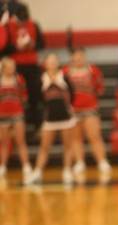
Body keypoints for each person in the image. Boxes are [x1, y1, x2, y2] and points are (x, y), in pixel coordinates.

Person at [64, 47, 112, 184]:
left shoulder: (93, 70)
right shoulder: (65, 72)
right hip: (72, 110)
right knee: (76, 138)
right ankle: (79, 162)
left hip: (90, 108)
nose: (78, 59)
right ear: (72, 58)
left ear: (85, 57)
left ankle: (102, 161)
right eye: (76, 56)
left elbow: (99, 88)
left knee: (94, 136)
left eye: (81, 56)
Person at [30, 53, 77, 186]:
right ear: (45, 64)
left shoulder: (64, 77)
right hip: (49, 118)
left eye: (54, 61)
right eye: (49, 61)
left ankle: (67, 171)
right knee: (44, 147)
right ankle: (37, 172)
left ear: (58, 63)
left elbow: (72, 95)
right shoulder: (41, 80)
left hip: (66, 118)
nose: (52, 63)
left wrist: (68, 108)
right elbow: (37, 99)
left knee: (68, 146)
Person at [0, 57, 32, 185]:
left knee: (20, 141)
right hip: (2, 115)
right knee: (4, 142)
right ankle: (2, 166)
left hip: (17, 114)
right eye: (9, 66)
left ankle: (26, 166)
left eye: (13, 66)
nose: (12, 68)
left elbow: (24, 96)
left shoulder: (19, 79)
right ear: (3, 67)